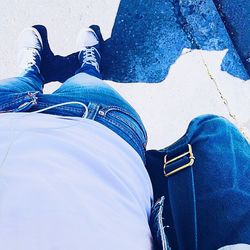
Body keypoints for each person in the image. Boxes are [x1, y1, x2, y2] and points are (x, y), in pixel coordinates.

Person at [0, 26, 249, 250]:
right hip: (98, 130)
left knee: (19, 83)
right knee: (85, 81)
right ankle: (88, 67)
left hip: (6, 109)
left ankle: (32, 71)